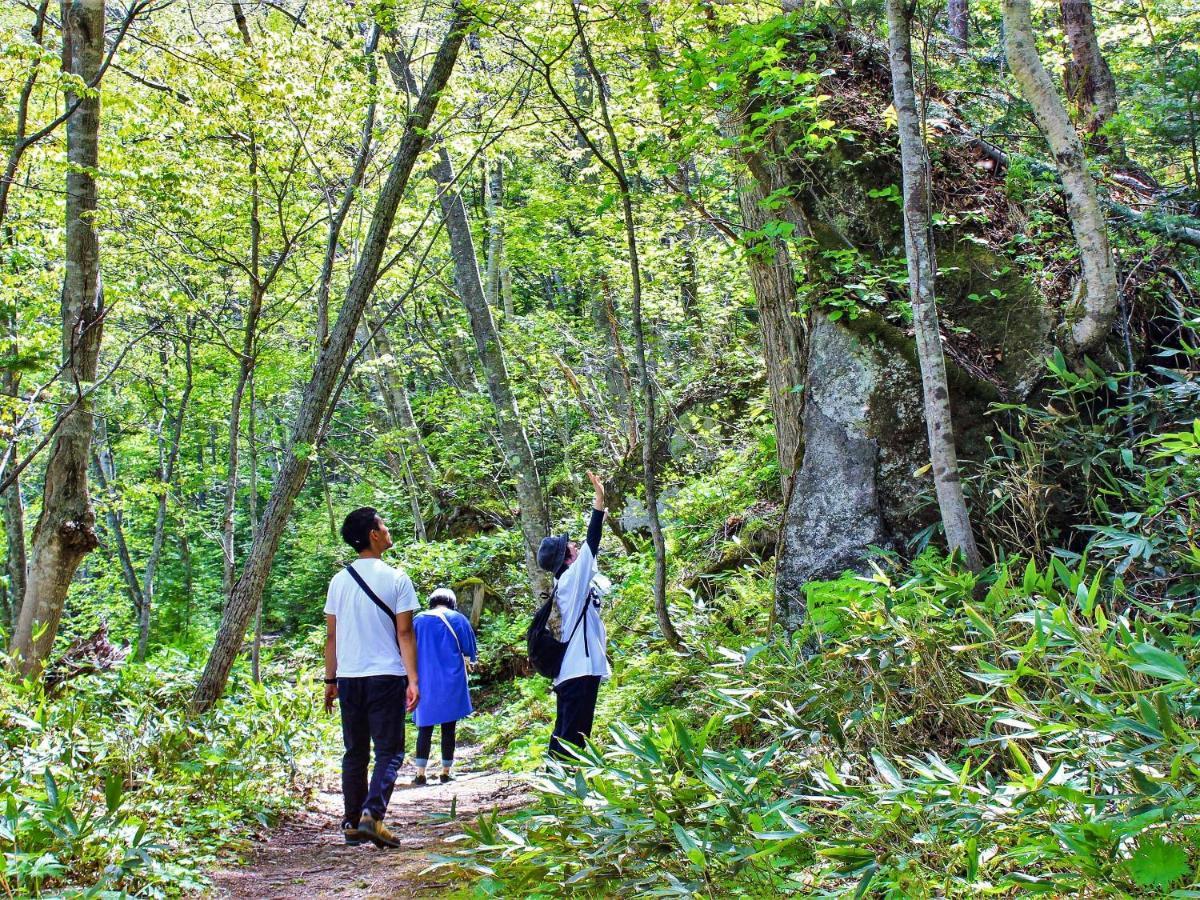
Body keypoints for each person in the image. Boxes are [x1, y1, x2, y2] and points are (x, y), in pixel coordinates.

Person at [323, 507, 419, 849]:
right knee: (390, 751)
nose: (388, 528)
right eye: (384, 524)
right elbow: (405, 633)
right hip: (386, 676)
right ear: (373, 535)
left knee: (355, 751)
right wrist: (413, 680)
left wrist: (330, 681)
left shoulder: (339, 581)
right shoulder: (397, 579)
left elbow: (331, 637)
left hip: (349, 678)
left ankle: (352, 823)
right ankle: (371, 815)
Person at [537, 471, 609, 760]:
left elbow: (591, 549)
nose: (576, 546)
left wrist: (600, 516)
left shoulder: (567, 582)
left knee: (568, 731)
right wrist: (599, 500)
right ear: (567, 559)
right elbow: (592, 542)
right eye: (571, 547)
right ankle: (564, 788)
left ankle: (558, 788)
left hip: (576, 670)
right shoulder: (570, 581)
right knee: (574, 736)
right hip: (578, 670)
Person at [411, 587, 478, 785]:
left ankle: (420, 773)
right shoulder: (458, 619)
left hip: (425, 680)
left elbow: (406, 648)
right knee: (449, 727)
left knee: (425, 727)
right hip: (452, 680)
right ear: (452, 602)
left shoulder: (418, 620)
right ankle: (446, 771)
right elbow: (469, 651)